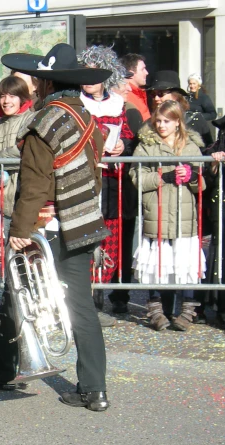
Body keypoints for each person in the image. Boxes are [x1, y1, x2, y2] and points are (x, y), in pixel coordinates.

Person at [0, 43, 111, 411]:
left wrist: (20, 229)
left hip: (47, 224)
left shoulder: (44, 122)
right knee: (81, 306)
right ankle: (94, 389)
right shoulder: (86, 117)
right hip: (83, 221)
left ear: (44, 82)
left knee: (17, 294)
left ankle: (4, 371)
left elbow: (35, 183)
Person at [130, 100, 208, 332]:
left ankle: (187, 310)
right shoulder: (146, 145)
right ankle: (156, 310)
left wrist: (191, 176)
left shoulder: (191, 146)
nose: (161, 125)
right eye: (158, 121)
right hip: (157, 212)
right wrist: (163, 176)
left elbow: (201, 184)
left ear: (177, 122)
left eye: (167, 121)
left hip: (183, 213)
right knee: (157, 263)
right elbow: (137, 177)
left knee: (185, 262)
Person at [77, 45, 137, 324]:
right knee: (85, 238)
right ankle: (86, 300)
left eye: (96, 74)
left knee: (111, 240)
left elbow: (126, 133)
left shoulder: (118, 104)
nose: (90, 80)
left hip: (112, 182)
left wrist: (123, 144)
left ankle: (104, 294)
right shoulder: (75, 103)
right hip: (82, 180)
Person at [0, 75, 34, 236]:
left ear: (22, 98)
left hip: (26, 199)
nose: (6, 101)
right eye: (2, 96)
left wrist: (0, 158)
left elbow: (28, 155)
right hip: (1, 201)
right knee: (7, 255)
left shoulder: (32, 120)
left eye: (12, 96)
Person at [148, 70, 213, 147]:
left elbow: (208, 150)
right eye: (153, 94)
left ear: (175, 96)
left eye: (160, 94)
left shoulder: (195, 121)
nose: (156, 98)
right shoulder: (148, 124)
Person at [120, 53, 151, 121]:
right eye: (142, 69)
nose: (146, 72)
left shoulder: (140, 93)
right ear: (131, 73)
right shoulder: (126, 95)